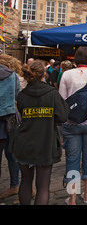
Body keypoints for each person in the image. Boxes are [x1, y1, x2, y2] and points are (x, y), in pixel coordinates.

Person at [12, 60, 69, 205]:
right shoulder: (52, 94)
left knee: (25, 180)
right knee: (43, 186)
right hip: (45, 142)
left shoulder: (22, 95)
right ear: (44, 74)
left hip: (24, 142)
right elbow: (62, 116)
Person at [59, 46, 87, 205]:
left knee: (72, 160)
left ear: (75, 59)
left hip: (71, 122)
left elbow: (62, 99)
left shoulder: (66, 74)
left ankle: (72, 198)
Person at [0, 56, 21, 200]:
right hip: (11, 119)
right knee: (12, 155)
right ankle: (15, 184)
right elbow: (18, 96)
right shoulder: (13, 76)